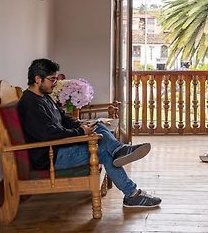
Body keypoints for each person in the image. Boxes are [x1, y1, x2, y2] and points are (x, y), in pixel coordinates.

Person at [18, 58, 161, 208]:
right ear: (37, 79)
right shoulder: (30, 104)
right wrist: (79, 131)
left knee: (98, 125)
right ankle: (130, 189)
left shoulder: (44, 97)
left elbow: (63, 118)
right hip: (51, 156)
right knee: (106, 153)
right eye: (52, 79)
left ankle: (121, 155)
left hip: (60, 148)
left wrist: (82, 125)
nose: (55, 84)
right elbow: (47, 134)